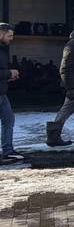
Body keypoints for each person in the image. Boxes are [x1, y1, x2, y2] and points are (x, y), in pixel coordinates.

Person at [0, 23, 24, 164]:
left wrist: (8, 77)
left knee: (9, 120)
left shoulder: (3, 49)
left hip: (2, 93)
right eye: (9, 36)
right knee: (8, 120)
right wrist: (9, 72)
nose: (11, 39)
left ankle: (8, 151)